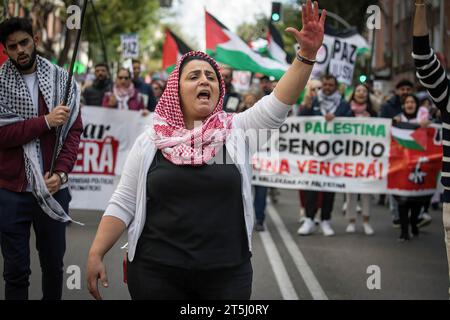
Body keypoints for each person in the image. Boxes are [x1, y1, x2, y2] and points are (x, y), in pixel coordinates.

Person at [86, 0, 326, 300]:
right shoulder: (151, 141)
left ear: (218, 90)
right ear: (176, 91)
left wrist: (306, 55)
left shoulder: (236, 131)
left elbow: (279, 102)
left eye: (211, 76)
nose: (204, 80)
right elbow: (123, 201)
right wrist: (96, 252)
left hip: (226, 275)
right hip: (155, 273)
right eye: (194, 76)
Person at [0, 17, 83, 300]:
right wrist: (45, 121)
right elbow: (3, 135)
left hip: (52, 189)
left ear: (35, 40)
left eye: (24, 42)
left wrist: (60, 174)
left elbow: (73, 134)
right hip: (10, 191)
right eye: (12, 47)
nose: (20, 50)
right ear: (6, 50)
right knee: (15, 271)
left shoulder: (63, 79)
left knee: (53, 267)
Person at [297, 74, 352, 237]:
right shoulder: (312, 102)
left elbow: (352, 124)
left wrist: (337, 119)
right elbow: (299, 123)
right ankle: (309, 219)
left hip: (334, 155)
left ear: (335, 86)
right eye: (324, 85)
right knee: (311, 188)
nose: (327, 88)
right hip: (313, 153)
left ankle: (326, 220)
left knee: (329, 188)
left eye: (330, 85)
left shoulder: (342, 105)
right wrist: (305, 107)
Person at [392, 94, 432, 241]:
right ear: (404, 105)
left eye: (412, 102)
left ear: (416, 105)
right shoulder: (397, 119)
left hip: (418, 165)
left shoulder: (424, 121)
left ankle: (414, 223)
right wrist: (392, 123)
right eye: (407, 102)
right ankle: (404, 232)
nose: (410, 104)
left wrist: (429, 125)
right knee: (402, 200)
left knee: (416, 201)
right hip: (401, 166)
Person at [345, 84, 377, 235]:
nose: (361, 93)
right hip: (350, 156)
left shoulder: (373, 112)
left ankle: (366, 221)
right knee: (351, 190)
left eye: (364, 91)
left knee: (366, 190)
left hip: (368, 157)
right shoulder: (346, 111)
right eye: (358, 90)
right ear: (354, 93)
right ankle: (351, 221)